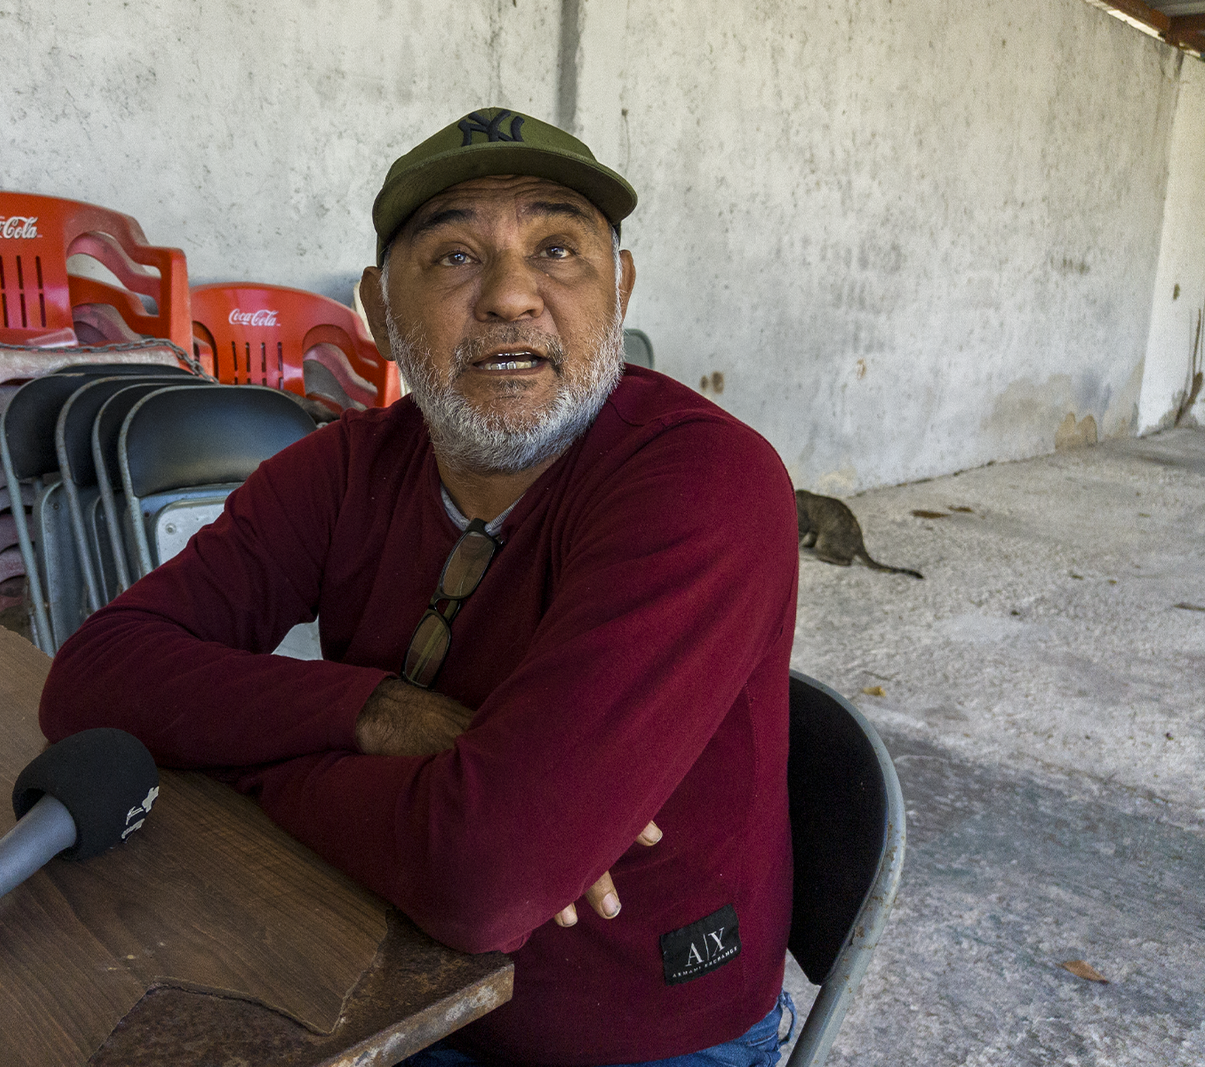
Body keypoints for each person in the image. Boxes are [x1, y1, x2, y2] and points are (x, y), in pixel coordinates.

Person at [39, 107, 800, 1067]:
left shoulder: (702, 481)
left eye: (559, 249)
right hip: (371, 969)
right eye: (454, 257)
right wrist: (375, 713)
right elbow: (93, 678)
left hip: (623, 1035)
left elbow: (487, 874)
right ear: (379, 311)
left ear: (621, 289)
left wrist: (239, 759)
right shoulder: (344, 468)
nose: (512, 296)